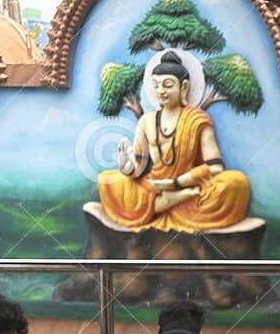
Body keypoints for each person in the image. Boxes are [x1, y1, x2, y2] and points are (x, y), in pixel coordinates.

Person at [98, 48, 250, 232]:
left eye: (168, 85)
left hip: (187, 184)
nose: (160, 91)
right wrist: (126, 167)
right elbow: (138, 168)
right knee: (107, 179)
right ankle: (172, 199)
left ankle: (169, 199)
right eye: (156, 85)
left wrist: (174, 184)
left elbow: (215, 167)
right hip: (153, 185)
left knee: (236, 182)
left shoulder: (197, 119)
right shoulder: (147, 121)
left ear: (183, 87)